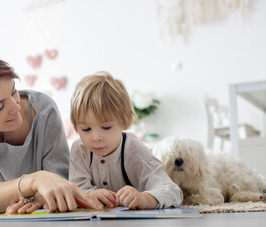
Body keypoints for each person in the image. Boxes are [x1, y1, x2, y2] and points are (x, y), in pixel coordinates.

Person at [0, 49, 103, 214]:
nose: (16, 107)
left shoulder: (44, 111)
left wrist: (44, 193)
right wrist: (33, 181)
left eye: (13, 91)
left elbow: (58, 183)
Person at [69, 71, 183, 209]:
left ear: (125, 121)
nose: (95, 138)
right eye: (85, 129)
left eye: (106, 127)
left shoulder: (135, 150)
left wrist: (144, 198)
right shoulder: (79, 149)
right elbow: (76, 190)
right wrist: (88, 196)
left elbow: (172, 191)